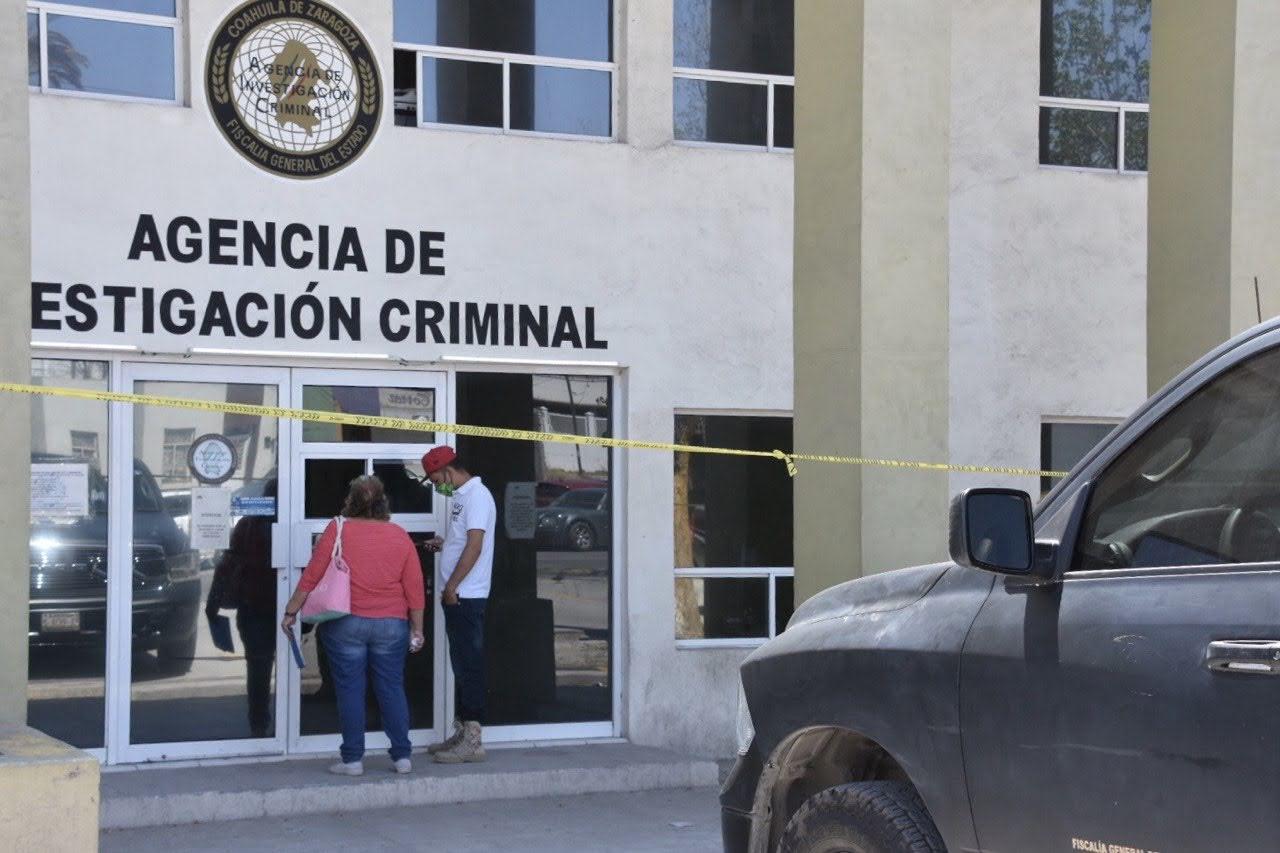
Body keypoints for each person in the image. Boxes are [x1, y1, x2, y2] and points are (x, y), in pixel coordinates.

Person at [281, 476, 426, 776]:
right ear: (384, 502)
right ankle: (402, 757)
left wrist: (291, 611)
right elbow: (414, 587)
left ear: (351, 500)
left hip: (346, 623)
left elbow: (312, 574)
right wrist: (418, 628)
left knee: (350, 690)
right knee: (391, 687)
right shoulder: (400, 535)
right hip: (391, 624)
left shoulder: (338, 529)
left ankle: (352, 760)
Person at [422, 445, 495, 764]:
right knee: (461, 666)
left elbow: (475, 546)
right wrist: (444, 543)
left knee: (470, 666)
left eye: (436, 480)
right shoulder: (462, 498)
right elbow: (464, 540)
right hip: (457, 596)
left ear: (448, 470)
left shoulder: (477, 496)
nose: (437, 487)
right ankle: (463, 731)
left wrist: (452, 586)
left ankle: (473, 741)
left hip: (466, 596)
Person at [206, 479, 277, 738]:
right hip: (284, 607)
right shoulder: (292, 524)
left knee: (258, 668)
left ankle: (259, 723)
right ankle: (289, 726)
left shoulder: (248, 525)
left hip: (254, 606)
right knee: (288, 669)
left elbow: (227, 564)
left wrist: (213, 604)